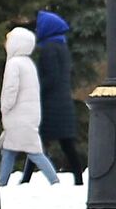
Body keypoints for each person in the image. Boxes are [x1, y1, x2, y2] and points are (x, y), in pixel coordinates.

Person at [0, 26, 60, 185]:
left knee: (33, 151)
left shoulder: (13, 64)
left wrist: (4, 107)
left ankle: (54, 180)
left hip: (17, 115)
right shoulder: (28, 63)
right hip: (29, 115)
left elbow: (10, 89)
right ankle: (1, 182)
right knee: (10, 149)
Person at [30, 9, 84, 184]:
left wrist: (37, 90)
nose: (37, 30)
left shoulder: (49, 49)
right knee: (65, 144)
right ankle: (78, 179)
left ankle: (26, 180)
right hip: (62, 103)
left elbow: (50, 77)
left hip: (50, 105)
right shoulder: (62, 46)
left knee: (37, 144)